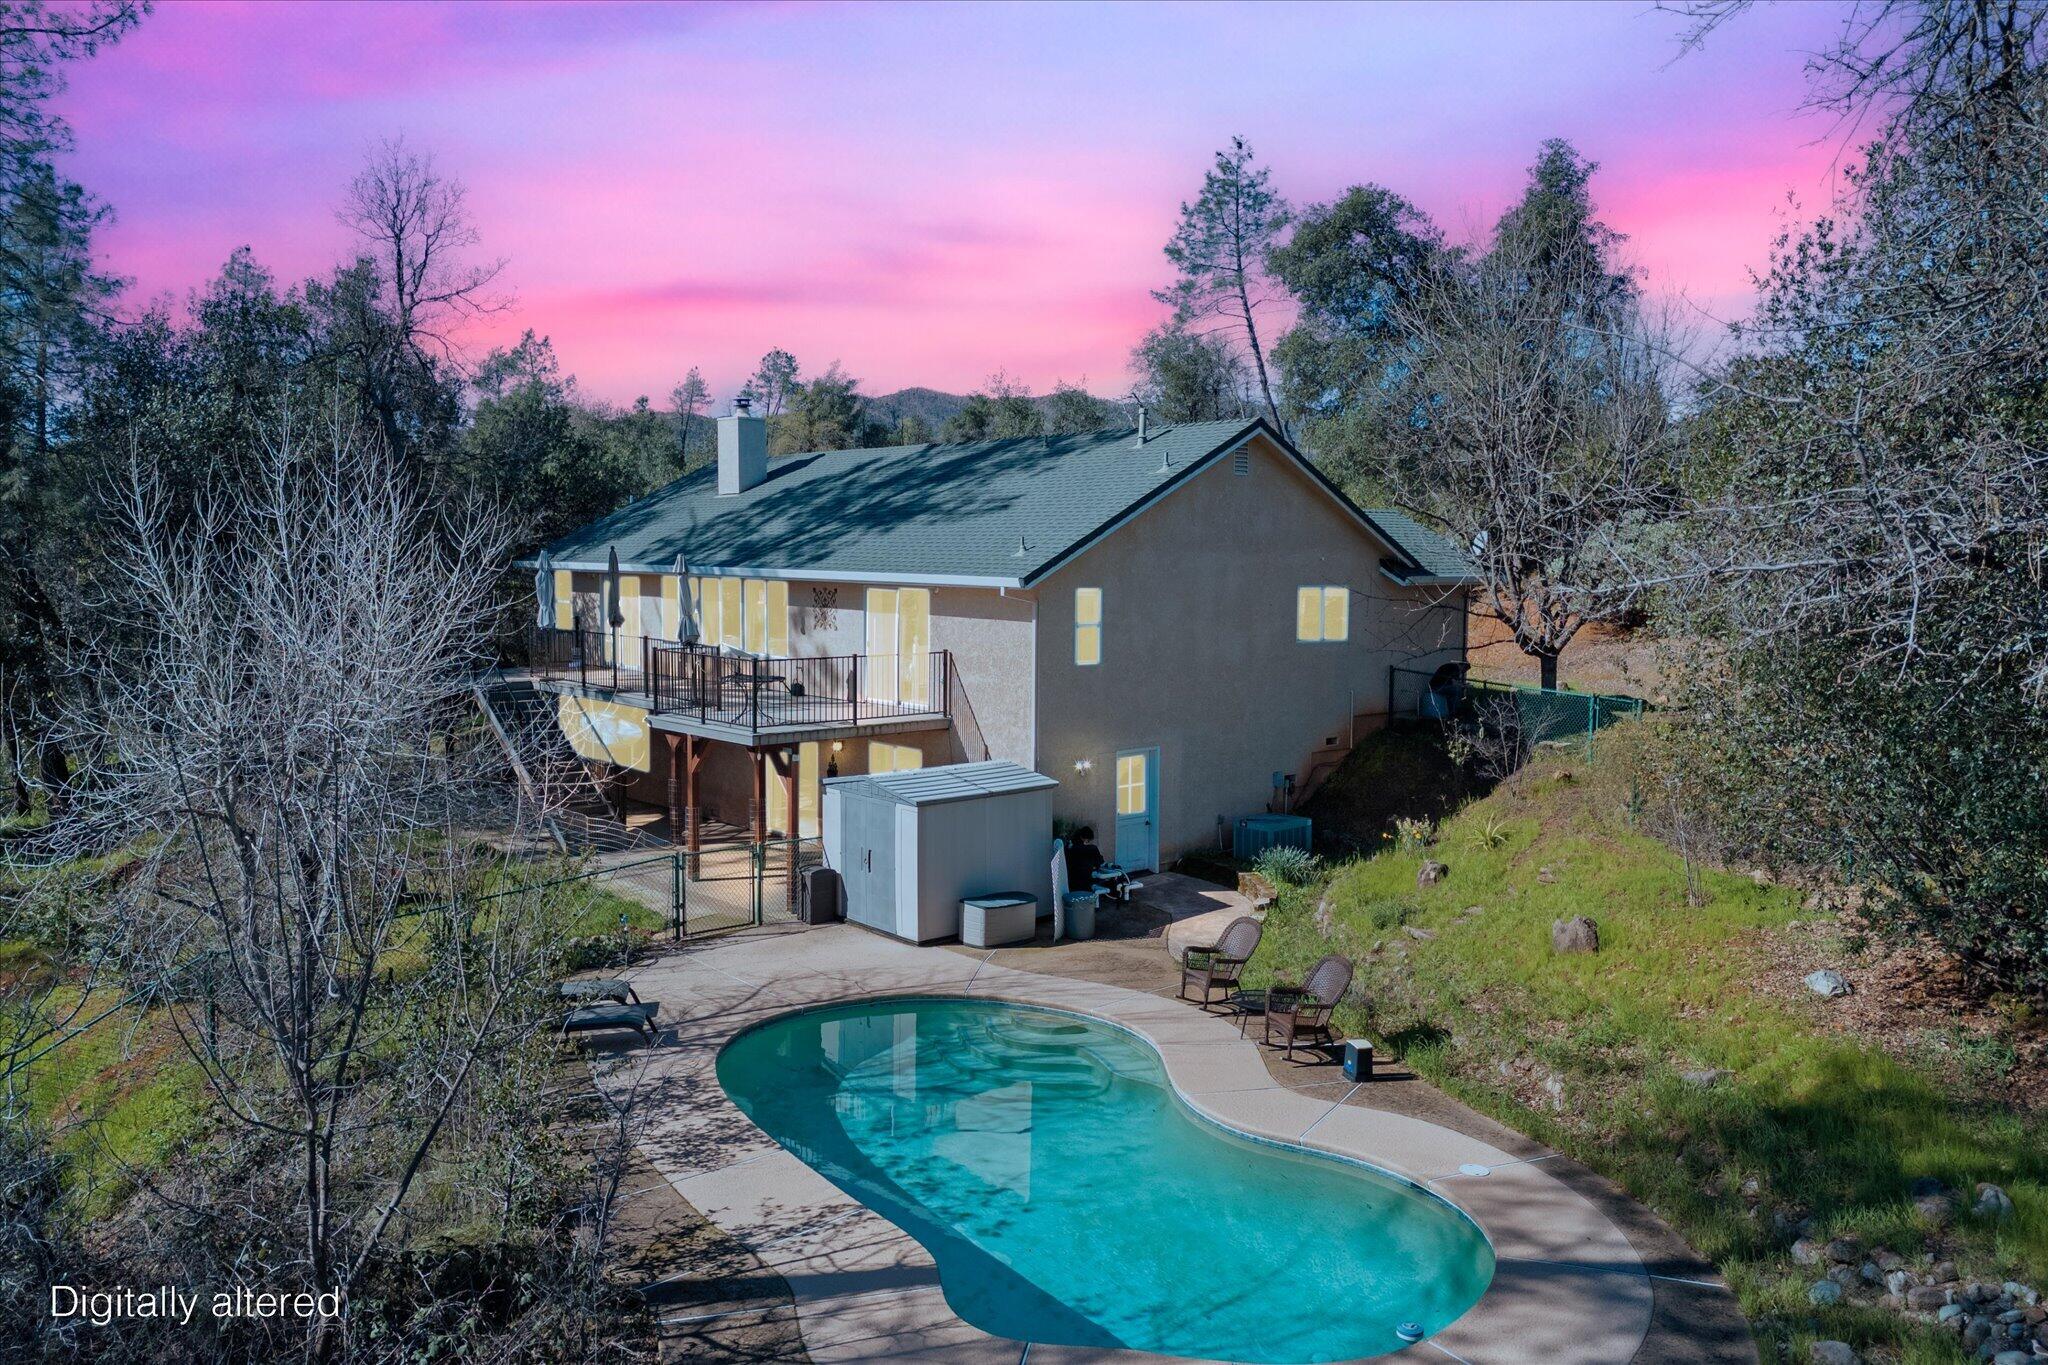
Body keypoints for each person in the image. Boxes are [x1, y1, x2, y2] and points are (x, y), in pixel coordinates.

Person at [1065, 826, 1105, 892]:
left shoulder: (1070, 846)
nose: (1088, 842)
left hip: (1071, 879)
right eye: (1088, 840)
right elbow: (1099, 861)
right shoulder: (1089, 848)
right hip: (1084, 879)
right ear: (1084, 838)